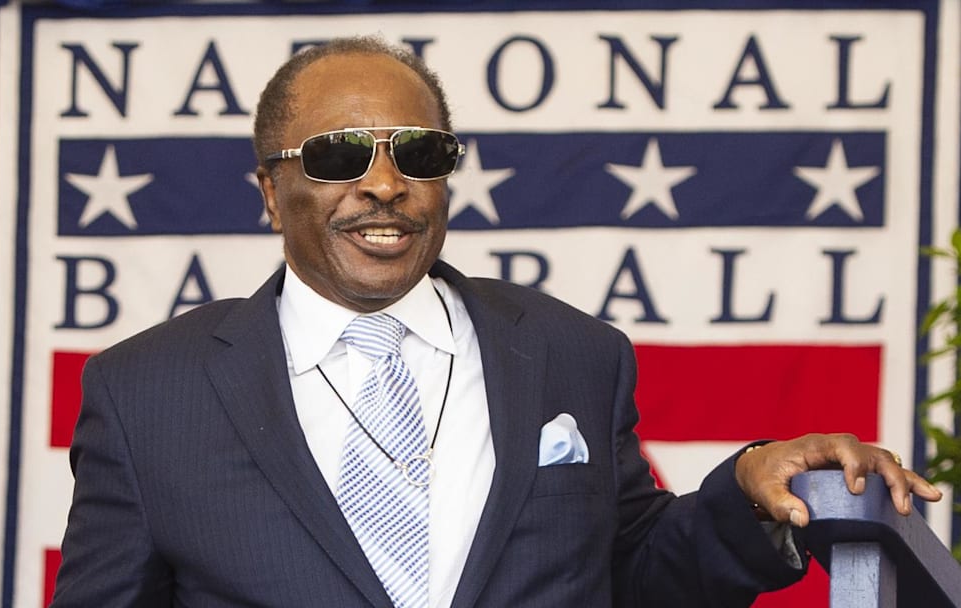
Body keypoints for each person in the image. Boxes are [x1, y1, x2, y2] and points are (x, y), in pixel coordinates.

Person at [50, 36, 942, 607]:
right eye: (338, 155)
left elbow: (627, 572)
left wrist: (746, 484)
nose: (384, 184)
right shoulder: (146, 393)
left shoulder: (571, 354)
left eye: (420, 153)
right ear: (269, 192)